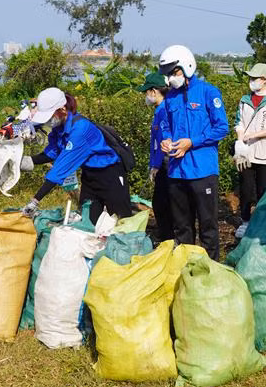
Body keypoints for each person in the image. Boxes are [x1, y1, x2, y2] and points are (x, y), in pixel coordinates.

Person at [20, 88, 132, 223]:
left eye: (49, 116)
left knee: (122, 222)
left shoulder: (80, 130)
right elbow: (52, 153)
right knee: (88, 222)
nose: (48, 121)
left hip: (110, 175)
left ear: (62, 109)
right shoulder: (59, 128)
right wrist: (24, 161)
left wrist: (35, 201)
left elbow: (60, 168)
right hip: (89, 177)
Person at [158, 45, 228, 260]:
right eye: (168, 74)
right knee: (182, 226)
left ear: (186, 67)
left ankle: (211, 267)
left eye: (174, 72)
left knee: (208, 225)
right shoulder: (170, 98)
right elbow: (165, 126)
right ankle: (186, 265)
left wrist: (192, 142)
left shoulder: (208, 92)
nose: (170, 79)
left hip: (202, 170)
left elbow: (222, 128)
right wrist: (165, 140)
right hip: (176, 172)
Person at [232, 63, 266, 238]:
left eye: (255, 78)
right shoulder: (244, 100)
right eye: (251, 78)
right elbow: (239, 122)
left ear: (264, 80)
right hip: (246, 152)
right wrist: (240, 141)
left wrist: (253, 135)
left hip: (265, 153)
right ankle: (245, 221)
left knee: (263, 190)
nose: (251, 81)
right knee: (245, 188)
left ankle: (262, 223)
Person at [138, 72, 173, 242]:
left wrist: (157, 165)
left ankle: (168, 237)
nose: (146, 96)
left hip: (167, 163)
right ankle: (165, 235)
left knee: (162, 203)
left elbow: (165, 142)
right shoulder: (159, 110)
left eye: (146, 92)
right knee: (160, 202)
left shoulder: (165, 110)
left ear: (153, 91)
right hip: (160, 163)